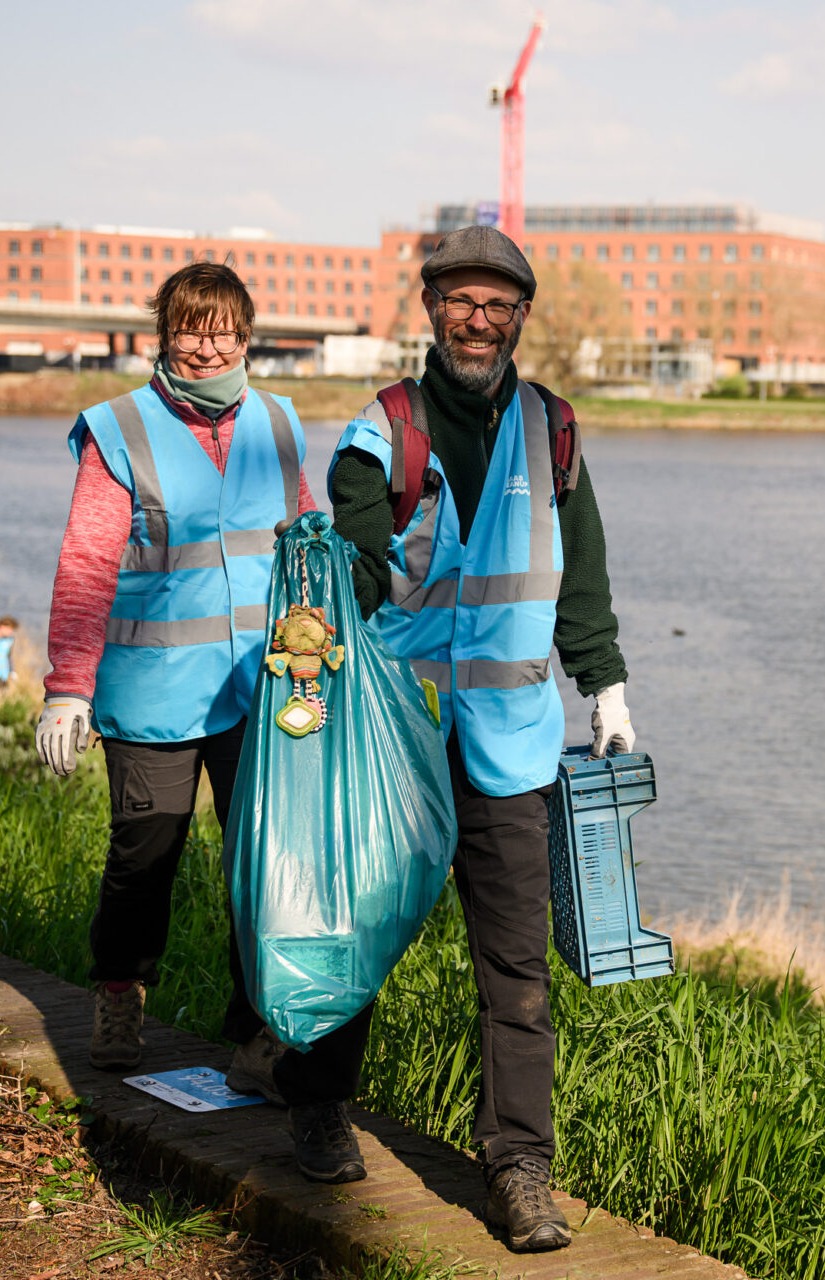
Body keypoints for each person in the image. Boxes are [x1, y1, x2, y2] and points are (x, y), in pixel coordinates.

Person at [324, 225, 635, 1252]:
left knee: (517, 975)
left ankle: (519, 1170)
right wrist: (318, 612)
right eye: (461, 300)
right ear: (431, 308)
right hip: (396, 744)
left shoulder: (553, 430)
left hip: (511, 745)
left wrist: (606, 684)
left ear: (521, 317)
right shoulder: (383, 432)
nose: (479, 320)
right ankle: (317, 1104)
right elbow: (355, 565)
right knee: (355, 938)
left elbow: (580, 572)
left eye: (498, 305)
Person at [30, 262, 316, 1115]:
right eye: (191, 328)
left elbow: (305, 541)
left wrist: (322, 652)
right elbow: (87, 563)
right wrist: (68, 686)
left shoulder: (277, 420)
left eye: (223, 331)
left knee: (262, 863)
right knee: (145, 854)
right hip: (152, 692)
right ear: (165, 333)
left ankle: (259, 1031)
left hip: (260, 687)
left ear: (246, 336)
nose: (207, 346)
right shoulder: (119, 429)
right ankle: (120, 988)